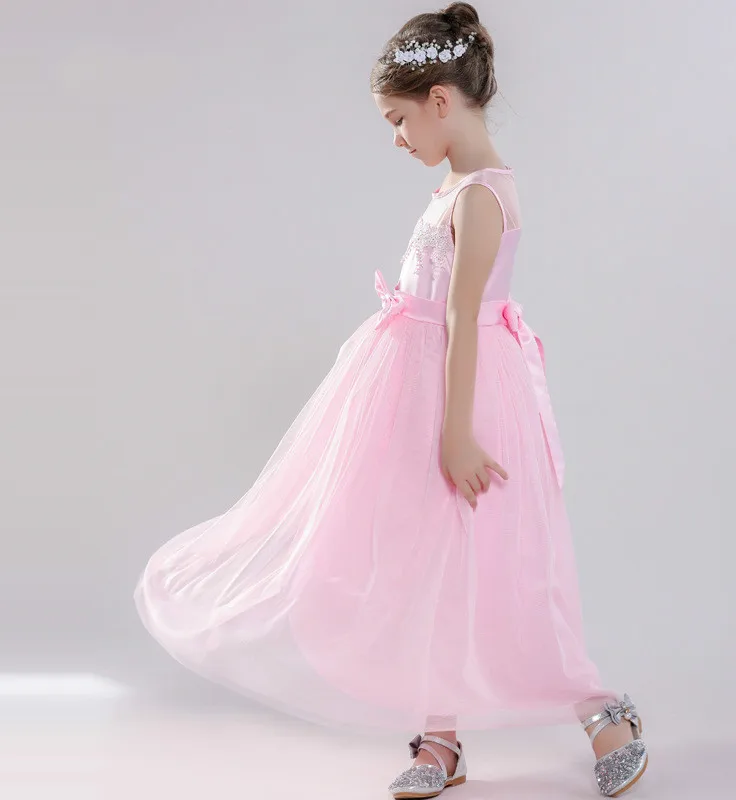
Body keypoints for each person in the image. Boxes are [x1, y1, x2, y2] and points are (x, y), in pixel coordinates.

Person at [134, 2, 648, 797]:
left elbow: (463, 317)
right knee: (424, 564)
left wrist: (457, 434)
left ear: (440, 100)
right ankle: (441, 737)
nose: (396, 138)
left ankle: (602, 712)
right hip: (416, 390)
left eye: (398, 120)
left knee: (501, 567)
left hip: (461, 396)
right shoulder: (456, 185)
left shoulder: (481, 196)